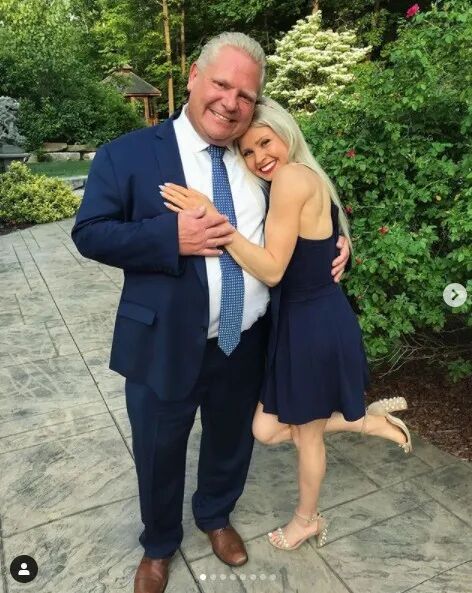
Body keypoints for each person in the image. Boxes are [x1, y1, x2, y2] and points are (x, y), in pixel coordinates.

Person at [71, 33, 350, 593]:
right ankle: (158, 544)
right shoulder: (128, 154)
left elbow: (307, 203)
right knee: (158, 448)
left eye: (246, 94)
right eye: (222, 84)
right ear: (194, 77)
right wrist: (168, 237)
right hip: (164, 340)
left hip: (246, 338)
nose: (231, 102)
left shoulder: (259, 157)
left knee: (231, 440)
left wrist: (338, 241)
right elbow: (90, 232)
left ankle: (216, 515)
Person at [161, 96, 412, 552]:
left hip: (314, 327)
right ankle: (365, 422)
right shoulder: (292, 179)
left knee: (307, 437)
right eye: (248, 151)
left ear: (286, 132)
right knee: (266, 430)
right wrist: (341, 248)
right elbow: (315, 245)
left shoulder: (292, 178)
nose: (259, 157)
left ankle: (305, 521)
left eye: (265, 142)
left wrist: (215, 221)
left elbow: (274, 269)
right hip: (299, 323)